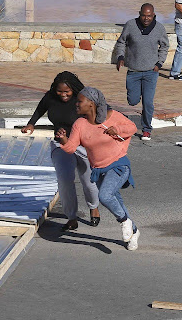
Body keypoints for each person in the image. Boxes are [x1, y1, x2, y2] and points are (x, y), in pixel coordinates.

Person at [56, 87, 140, 250]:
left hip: (118, 165)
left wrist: (117, 130)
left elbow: (132, 127)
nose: (76, 104)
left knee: (104, 196)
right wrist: (64, 139)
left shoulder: (111, 116)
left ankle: (124, 221)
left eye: (80, 101)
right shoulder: (79, 124)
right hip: (99, 170)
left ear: (91, 104)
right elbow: (72, 147)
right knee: (116, 201)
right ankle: (134, 231)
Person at [22, 72, 100, 232]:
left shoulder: (83, 98)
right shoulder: (50, 97)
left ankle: (94, 207)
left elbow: (98, 114)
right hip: (60, 144)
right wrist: (31, 124)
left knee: (88, 181)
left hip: (83, 145)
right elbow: (40, 109)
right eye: (60, 91)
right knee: (64, 181)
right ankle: (71, 218)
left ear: (74, 89)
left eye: (67, 91)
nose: (63, 95)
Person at [115, 3, 169, 141]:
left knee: (148, 102)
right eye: (144, 15)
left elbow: (164, 46)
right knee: (132, 101)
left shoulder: (159, 29)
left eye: (149, 16)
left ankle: (146, 129)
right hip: (133, 70)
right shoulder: (130, 25)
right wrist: (120, 57)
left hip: (151, 72)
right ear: (139, 14)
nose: (146, 18)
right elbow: (121, 42)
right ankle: (135, 96)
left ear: (154, 16)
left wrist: (159, 63)